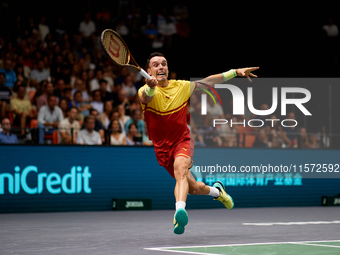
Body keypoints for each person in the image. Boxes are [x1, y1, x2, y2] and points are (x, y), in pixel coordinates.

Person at [138, 52, 259, 234]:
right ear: (148, 71)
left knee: (181, 170)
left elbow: (208, 82)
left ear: (168, 68)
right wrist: (150, 88)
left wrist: (235, 72)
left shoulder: (181, 86)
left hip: (182, 140)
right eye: (156, 65)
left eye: (164, 64)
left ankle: (179, 211)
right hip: (162, 147)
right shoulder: (144, 90)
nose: (161, 67)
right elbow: (145, 99)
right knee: (193, 188)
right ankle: (217, 191)